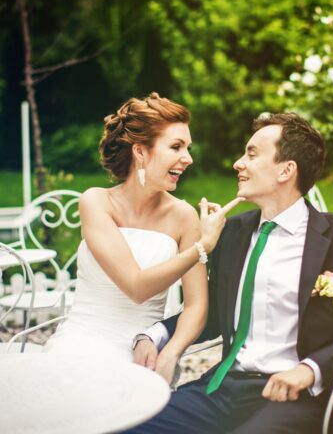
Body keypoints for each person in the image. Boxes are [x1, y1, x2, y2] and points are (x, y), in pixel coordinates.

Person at [128, 113, 333, 434]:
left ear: (286, 170)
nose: (238, 163)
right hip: (221, 388)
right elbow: (213, 312)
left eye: (252, 154)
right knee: (137, 425)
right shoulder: (234, 233)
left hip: (300, 398)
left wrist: (310, 369)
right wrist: (153, 336)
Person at [43, 92, 243, 378]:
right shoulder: (96, 202)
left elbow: (197, 305)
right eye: (176, 147)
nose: (187, 159)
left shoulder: (184, 216)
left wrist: (171, 349)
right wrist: (203, 246)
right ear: (140, 152)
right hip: (80, 341)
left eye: (188, 148)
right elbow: (136, 287)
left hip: (143, 352)